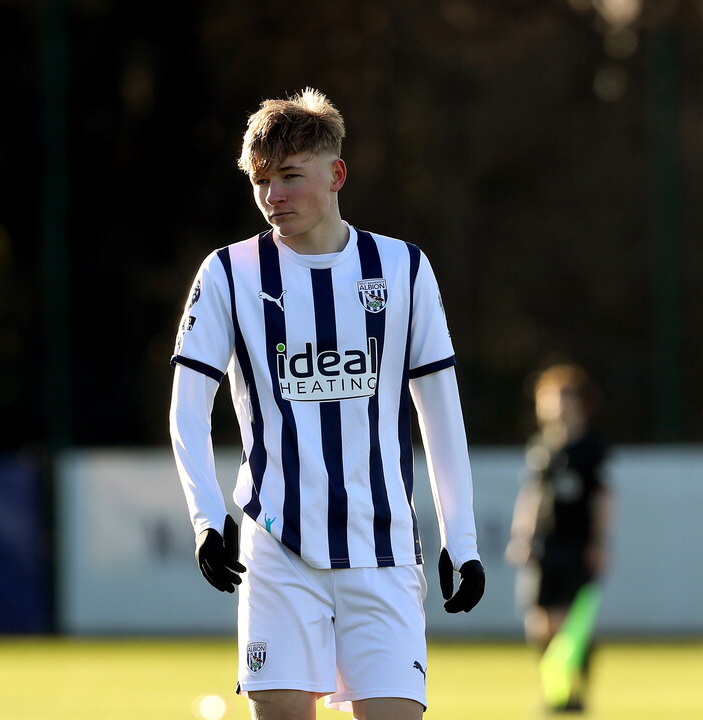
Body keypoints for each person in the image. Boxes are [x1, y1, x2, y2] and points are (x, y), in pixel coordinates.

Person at [169, 88, 485, 720]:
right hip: (278, 547)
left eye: (290, 177)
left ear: (336, 173)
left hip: (385, 548)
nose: (273, 197)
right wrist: (207, 518)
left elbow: (439, 409)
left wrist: (463, 538)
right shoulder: (229, 272)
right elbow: (186, 407)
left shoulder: (402, 268)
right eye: (261, 181)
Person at [506, 363, 612, 714]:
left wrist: (599, 542)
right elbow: (532, 495)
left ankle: (577, 692)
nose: (553, 407)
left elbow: (603, 497)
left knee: (574, 624)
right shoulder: (541, 448)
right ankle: (553, 688)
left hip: (577, 546)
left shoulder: (591, 449)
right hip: (545, 547)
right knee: (540, 622)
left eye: (560, 399)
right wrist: (522, 535)